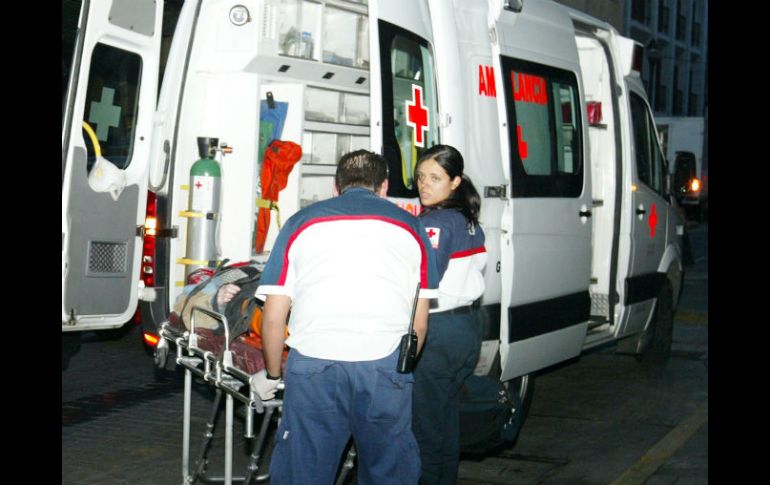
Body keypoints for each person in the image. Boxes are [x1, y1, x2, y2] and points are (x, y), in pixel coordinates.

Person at [251, 149, 439, 485]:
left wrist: (272, 374)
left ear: (336, 187)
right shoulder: (412, 228)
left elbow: (273, 318)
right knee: (389, 472)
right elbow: (419, 324)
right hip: (384, 365)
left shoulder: (300, 223)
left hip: (314, 364)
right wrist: (399, 371)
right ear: (384, 186)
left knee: (303, 473)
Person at [411, 144, 487, 485]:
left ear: (455, 181)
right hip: (467, 328)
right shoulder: (467, 221)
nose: (424, 185)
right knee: (446, 423)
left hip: (438, 332)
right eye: (421, 177)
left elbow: (424, 282)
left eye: (435, 178)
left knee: (425, 430)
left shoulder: (436, 224)